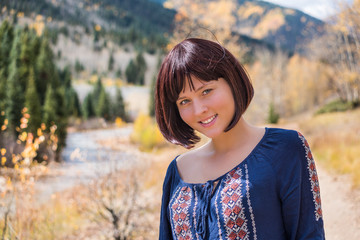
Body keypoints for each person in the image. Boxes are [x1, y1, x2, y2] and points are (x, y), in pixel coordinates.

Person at [155, 38, 325, 240]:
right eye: (184, 101)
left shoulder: (286, 148)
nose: (199, 110)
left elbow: (309, 235)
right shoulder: (178, 170)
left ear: (232, 80)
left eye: (206, 91)